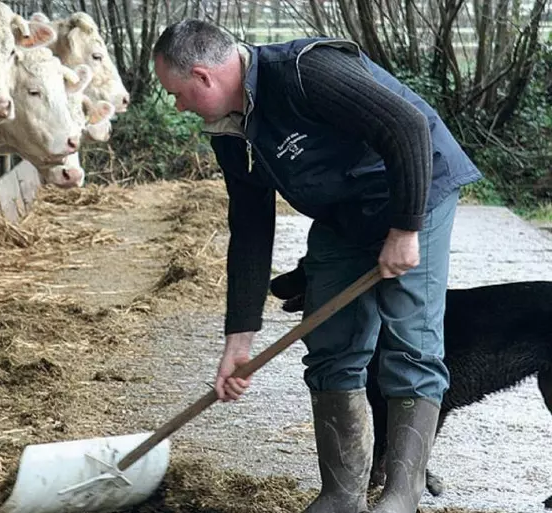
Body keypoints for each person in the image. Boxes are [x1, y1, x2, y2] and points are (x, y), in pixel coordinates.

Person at [152, 20, 482, 513]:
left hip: (415, 193)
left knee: (410, 343)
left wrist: (406, 230)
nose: (179, 106)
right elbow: (249, 225)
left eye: (177, 94)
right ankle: (341, 496)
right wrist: (238, 342)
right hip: (343, 215)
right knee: (329, 340)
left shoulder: (306, 72)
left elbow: (409, 127)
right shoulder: (229, 130)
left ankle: (401, 495)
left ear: (203, 76)